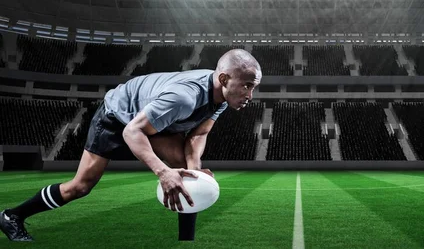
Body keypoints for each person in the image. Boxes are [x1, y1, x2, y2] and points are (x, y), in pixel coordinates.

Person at [0, 49, 262, 242]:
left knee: (186, 172)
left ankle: (186, 242)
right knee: (80, 187)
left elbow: (198, 135)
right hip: (117, 118)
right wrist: (163, 172)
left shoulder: (223, 98)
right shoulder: (184, 97)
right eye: (247, 86)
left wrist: (194, 169)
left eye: (254, 87)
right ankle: (12, 215)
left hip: (154, 123)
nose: (250, 96)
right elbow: (132, 131)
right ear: (225, 79)